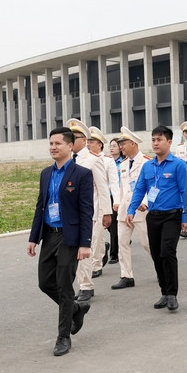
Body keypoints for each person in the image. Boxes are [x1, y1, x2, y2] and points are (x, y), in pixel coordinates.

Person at [26, 127, 93, 357]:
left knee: (64, 285)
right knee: (45, 282)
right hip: (50, 234)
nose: (53, 147)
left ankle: (63, 336)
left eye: (58, 144)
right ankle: (76, 309)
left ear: (70, 146)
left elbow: (86, 210)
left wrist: (85, 243)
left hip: (70, 236)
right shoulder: (45, 174)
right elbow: (40, 206)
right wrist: (33, 237)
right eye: (51, 143)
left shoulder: (82, 174)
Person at [126, 126, 187, 312]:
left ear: (169, 142)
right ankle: (164, 291)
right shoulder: (148, 166)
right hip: (153, 217)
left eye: (159, 140)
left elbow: (186, 192)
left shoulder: (178, 165)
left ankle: (172, 294)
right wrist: (131, 210)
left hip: (172, 216)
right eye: (153, 140)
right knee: (156, 255)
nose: (155, 143)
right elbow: (140, 189)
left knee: (167, 252)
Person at [68, 119, 112, 303]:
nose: (69, 141)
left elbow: (102, 188)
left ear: (83, 139)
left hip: (91, 212)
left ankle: (86, 286)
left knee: (84, 250)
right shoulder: (67, 160)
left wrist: (107, 212)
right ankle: (81, 283)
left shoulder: (93, 160)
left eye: (73, 137)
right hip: (71, 214)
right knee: (74, 251)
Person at [111, 127, 149, 291]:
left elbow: (150, 186)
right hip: (125, 210)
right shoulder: (124, 164)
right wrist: (118, 202)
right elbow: (123, 186)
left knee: (148, 244)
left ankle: (162, 267)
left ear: (133, 144)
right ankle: (126, 276)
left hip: (141, 210)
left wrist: (146, 202)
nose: (121, 147)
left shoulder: (146, 162)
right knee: (123, 244)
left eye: (123, 143)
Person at [86, 126, 121, 273]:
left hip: (102, 202)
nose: (88, 144)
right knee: (93, 236)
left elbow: (114, 182)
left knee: (96, 235)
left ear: (99, 144)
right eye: (87, 141)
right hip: (87, 202)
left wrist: (117, 201)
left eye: (91, 141)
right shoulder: (84, 159)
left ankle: (96, 266)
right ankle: (102, 250)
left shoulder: (107, 161)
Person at [105, 137, 124, 264]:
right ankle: (120, 240)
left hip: (120, 196)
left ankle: (114, 253)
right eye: (110, 146)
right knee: (110, 225)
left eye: (114, 146)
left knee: (115, 224)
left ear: (120, 148)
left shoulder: (124, 162)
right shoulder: (106, 161)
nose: (111, 148)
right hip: (108, 195)